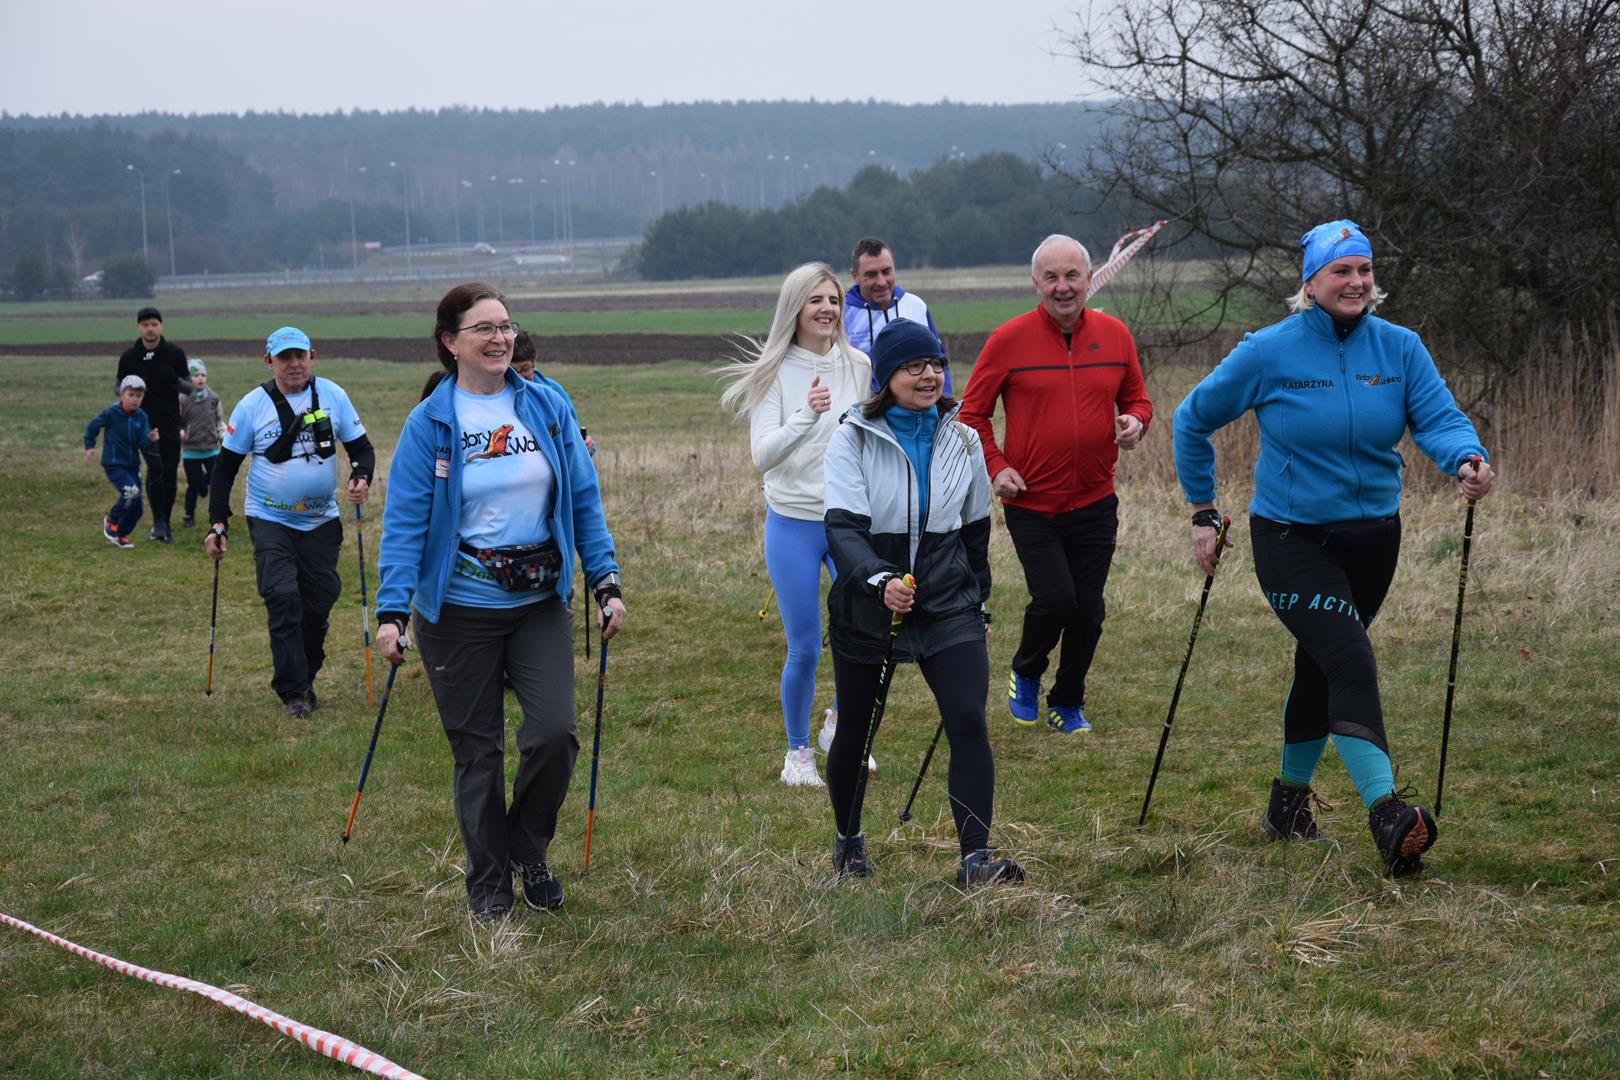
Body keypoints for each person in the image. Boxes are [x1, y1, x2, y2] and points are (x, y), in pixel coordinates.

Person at [1172, 219, 1496, 877]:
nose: (1356, 281)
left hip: (1374, 538)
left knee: (1322, 666)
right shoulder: (1269, 351)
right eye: (1340, 271)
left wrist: (1466, 456)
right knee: (1349, 658)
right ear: (1311, 282)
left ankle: (1288, 806)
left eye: (1364, 270)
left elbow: (1436, 418)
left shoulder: (1400, 349)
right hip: (1291, 538)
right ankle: (1387, 813)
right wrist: (1202, 511)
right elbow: (1192, 418)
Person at [374, 282, 625, 924]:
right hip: (456, 613)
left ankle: (527, 850)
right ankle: (488, 883)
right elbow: (405, 522)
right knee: (477, 753)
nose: (499, 338)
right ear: (450, 342)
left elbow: (582, 500)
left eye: (506, 326)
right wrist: (391, 612)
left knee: (553, 735)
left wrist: (606, 580)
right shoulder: (430, 422)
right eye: (483, 328)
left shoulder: (544, 405)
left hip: (540, 599)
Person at [822, 320, 1021, 886]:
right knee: (858, 729)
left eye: (935, 363)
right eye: (914, 366)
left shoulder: (960, 439)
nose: (929, 374)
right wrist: (879, 578)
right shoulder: (853, 437)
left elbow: (976, 531)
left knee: (967, 720)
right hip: (869, 601)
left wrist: (978, 605)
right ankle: (849, 840)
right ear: (886, 377)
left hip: (947, 600)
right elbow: (842, 530)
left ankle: (974, 860)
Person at [958, 234, 1152, 734]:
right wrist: (996, 466)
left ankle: (1067, 702)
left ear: (1090, 279)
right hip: (1032, 503)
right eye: (1052, 277)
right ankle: (1026, 670)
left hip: (1094, 499)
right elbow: (972, 414)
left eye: (1072, 276)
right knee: (1056, 600)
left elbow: (1138, 399)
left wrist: (1134, 421)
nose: (1063, 287)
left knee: (1089, 611)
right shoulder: (1008, 339)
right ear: (1036, 283)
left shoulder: (1115, 336)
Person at [717, 262, 871, 788]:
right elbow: (762, 456)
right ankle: (798, 755)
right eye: (816, 300)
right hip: (793, 523)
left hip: (849, 521)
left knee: (868, 632)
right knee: (804, 645)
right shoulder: (775, 372)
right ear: (795, 310)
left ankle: (840, 726)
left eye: (833, 299)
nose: (828, 308)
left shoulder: (859, 365)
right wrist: (806, 415)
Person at [204, 327, 375, 718]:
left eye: (300, 356)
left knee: (318, 603)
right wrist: (218, 523)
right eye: (284, 358)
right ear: (269, 362)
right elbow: (224, 469)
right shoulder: (251, 406)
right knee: (283, 598)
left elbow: (361, 448)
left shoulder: (334, 395)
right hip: (270, 519)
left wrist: (360, 476)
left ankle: (306, 675)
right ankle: (294, 692)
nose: (294, 364)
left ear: (312, 356)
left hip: (320, 520)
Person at [115, 307, 192, 542]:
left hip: (169, 421)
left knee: (169, 470)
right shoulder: (129, 357)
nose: (150, 328)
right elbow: (117, 388)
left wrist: (175, 380)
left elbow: (189, 388)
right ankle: (158, 522)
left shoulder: (175, 354)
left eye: (154, 324)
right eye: (145, 324)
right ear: (138, 327)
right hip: (142, 424)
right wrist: (129, 393)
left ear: (161, 326)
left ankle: (165, 522)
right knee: (155, 469)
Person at [842, 237, 951, 394]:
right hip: (863, 412)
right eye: (871, 275)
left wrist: (945, 403)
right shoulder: (841, 314)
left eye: (886, 272)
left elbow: (939, 360)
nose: (881, 281)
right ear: (855, 276)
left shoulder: (915, 306)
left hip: (914, 411)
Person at [83, 374, 159, 549]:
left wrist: (151, 439)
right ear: (121, 395)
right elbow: (92, 426)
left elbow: (142, 443)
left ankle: (121, 534)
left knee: (137, 507)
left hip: (132, 465)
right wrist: (90, 446)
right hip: (114, 463)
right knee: (131, 493)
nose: (134, 400)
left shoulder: (141, 416)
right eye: (130, 395)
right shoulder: (111, 413)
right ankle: (111, 520)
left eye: (138, 396)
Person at [512, 329, 596, 455]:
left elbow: (572, 434)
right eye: (513, 372)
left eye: (525, 369)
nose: (521, 379)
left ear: (534, 361)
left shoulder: (553, 391)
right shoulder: (496, 396)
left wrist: (586, 446)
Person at [178, 359, 224, 528]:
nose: (200, 378)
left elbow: (219, 421)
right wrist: (180, 430)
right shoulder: (182, 398)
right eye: (196, 375)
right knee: (193, 485)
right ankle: (189, 516)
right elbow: (177, 420)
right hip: (191, 450)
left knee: (213, 480)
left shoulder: (213, 397)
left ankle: (216, 514)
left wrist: (222, 435)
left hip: (211, 449)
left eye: (203, 375)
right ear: (189, 378)